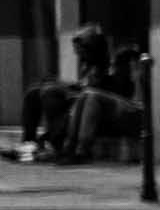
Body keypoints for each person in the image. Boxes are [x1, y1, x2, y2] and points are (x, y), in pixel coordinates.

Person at [10, 25, 135, 163]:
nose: (79, 55)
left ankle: (57, 145)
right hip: (80, 101)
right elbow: (83, 85)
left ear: (92, 48)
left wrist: (69, 91)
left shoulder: (110, 67)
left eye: (82, 51)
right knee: (34, 91)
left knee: (51, 93)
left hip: (93, 111)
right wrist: (65, 85)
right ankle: (28, 142)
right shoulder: (88, 65)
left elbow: (102, 95)